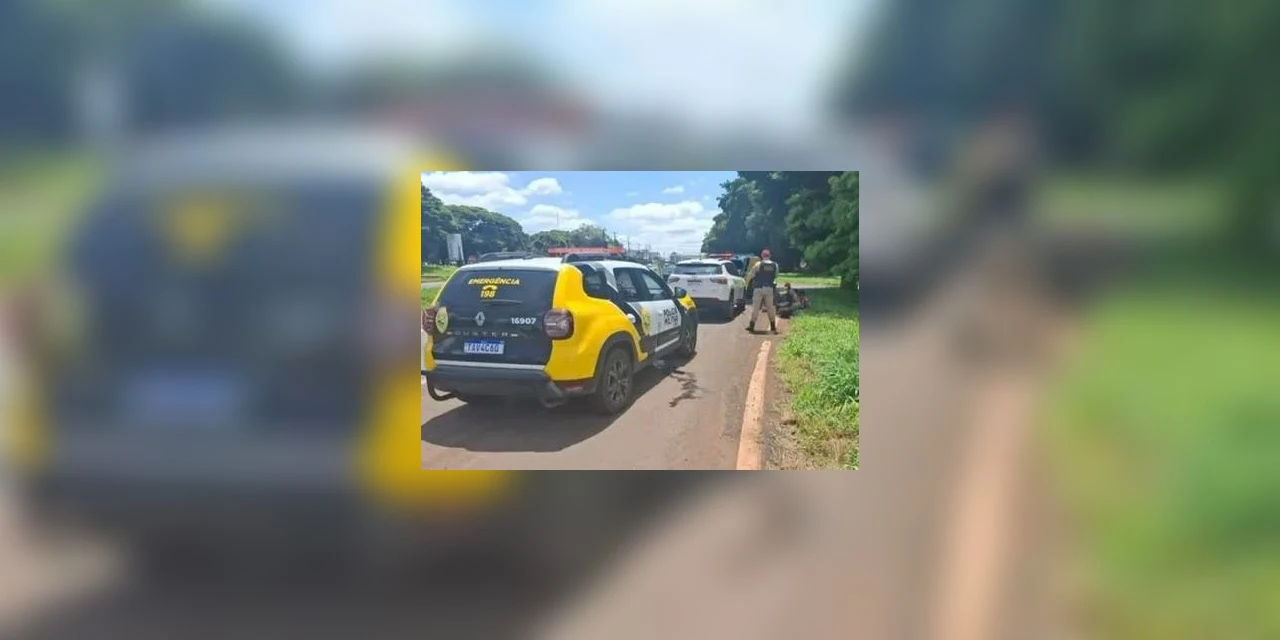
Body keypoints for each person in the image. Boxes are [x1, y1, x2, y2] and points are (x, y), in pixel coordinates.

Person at [744, 249, 779, 334]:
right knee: (770, 308)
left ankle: (752, 326)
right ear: (770, 255)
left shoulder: (758, 264)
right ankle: (773, 326)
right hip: (769, 289)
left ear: (762, 256)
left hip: (759, 288)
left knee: (756, 307)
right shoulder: (775, 265)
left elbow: (751, 275)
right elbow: (776, 275)